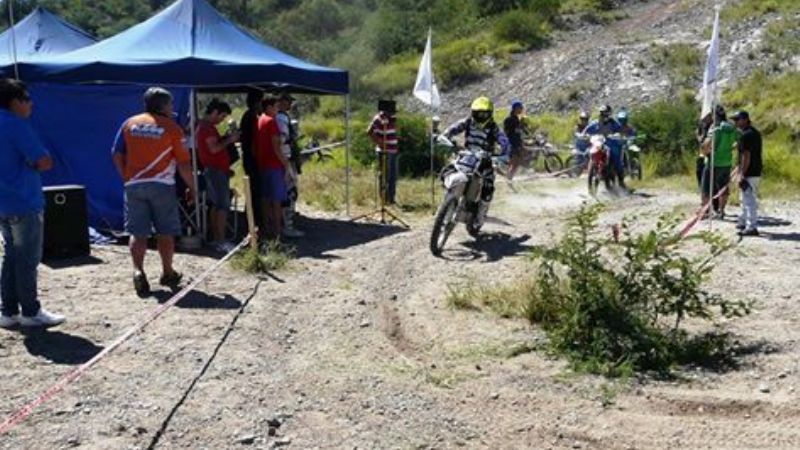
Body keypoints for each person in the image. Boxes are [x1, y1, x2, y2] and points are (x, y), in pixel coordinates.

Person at [112, 87, 196, 297]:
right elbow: (184, 164)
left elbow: (116, 153)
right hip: (162, 185)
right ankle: (167, 272)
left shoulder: (129, 124)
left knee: (137, 232)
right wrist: (193, 188)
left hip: (134, 185)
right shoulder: (172, 128)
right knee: (165, 231)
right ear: (163, 106)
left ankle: (138, 270)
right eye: (170, 104)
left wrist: (126, 177)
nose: (172, 107)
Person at [0, 79, 65, 328]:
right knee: (27, 258)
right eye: (27, 99)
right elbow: (44, 161)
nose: (31, 104)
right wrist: (31, 163)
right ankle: (30, 311)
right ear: (15, 102)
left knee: (11, 256)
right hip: (23, 201)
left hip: (3, 203)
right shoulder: (17, 125)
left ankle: (8, 311)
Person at [442, 96, 509, 229]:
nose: (481, 116)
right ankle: (448, 201)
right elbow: (453, 129)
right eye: (478, 112)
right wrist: (445, 137)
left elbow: (504, 141)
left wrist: (502, 154)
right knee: (448, 170)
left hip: (486, 159)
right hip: (467, 156)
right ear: (473, 112)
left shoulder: (494, 128)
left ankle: (480, 215)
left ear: (489, 114)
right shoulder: (467, 122)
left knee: (488, 186)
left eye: (484, 113)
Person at [197, 99, 240, 252]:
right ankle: (220, 240)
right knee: (222, 206)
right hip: (215, 171)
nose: (221, 120)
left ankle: (217, 239)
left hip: (217, 170)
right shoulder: (207, 128)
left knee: (216, 205)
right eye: (221, 116)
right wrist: (230, 139)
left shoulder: (206, 127)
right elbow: (213, 149)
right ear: (215, 112)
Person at [255, 96, 292, 240]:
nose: (278, 109)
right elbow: (276, 147)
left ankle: (267, 227)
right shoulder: (271, 122)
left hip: (263, 164)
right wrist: (286, 164)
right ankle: (277, 231)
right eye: (276, 106)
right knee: (276, 200)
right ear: (269, 107)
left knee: (265, 198)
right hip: (274, 165)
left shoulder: (260, 120)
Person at [276, 92, 304, 238]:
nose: (290, 104)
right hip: (285, 159)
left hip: (285, 158)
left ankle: (286, 223)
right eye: (287, 101)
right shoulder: (280, 117)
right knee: (290, 192)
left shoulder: (281, 116)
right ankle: (287, 225)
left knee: (288, 192)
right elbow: (282, 140)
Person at [701, 105, 736, 219]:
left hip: (713, 162)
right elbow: (738, 141)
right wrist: (729, 149)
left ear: (714, 115)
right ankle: (721, 211)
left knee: (706, 187)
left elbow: (707, 143)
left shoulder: (715, 128)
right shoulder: (731, 127)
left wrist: (706, 152)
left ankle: (705, 211)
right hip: (726, 161)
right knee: (723, 188)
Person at [733, 111, 762, 236]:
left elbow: (746, 156)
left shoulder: (746, 135)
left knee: (749, 199)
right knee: (745, 198)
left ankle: (752, 227)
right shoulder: (755, 133)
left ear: (745, 119)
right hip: (755, 170)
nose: (736, 122)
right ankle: (743, 221)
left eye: (737, 119)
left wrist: (742, 174)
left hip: (749, 172)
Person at [240, 90, 264, 232]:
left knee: (253, 190)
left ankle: (250, 219)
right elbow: (254, 141)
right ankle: (253, 221)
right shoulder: (252, 117)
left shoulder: (248, 115)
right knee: (254, 190)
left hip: (248, 157)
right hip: (252, 158)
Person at [585, 104, 625, 188]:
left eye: (605, 113)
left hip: (610, 143)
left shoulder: (613, 123)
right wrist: (584, 135)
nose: (602, 115)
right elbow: (587, 129)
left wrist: (618, 134)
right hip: (598, 143)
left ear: (609, 114)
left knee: (617, 159)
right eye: (601, 113)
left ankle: (621, 182)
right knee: (588, 152)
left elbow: (620, 131)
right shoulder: (596, 122)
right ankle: (592, 169)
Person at [367, 101, 399, 205]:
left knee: (393, 175)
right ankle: (384, 199)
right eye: (391, 112)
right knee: (385, 175)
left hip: (393, 150)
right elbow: (369, 132)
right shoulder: (378, 118)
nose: (393, 114)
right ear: (386, 111)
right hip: (385, 151)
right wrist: (380, 143)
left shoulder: (390, 119)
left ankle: (391, 198)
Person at [503, 100, 526, 180]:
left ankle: (509, 178)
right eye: (520, 108)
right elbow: (507, 132)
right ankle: (508, 179)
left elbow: (519, 132)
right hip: (512, 144)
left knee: (516, 163)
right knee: (514, 163)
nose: (521, 110)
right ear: (515, 108)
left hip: (517, 143)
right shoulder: (509, 119)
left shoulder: (517, 119)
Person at [696, 112, 714, 203]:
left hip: (709, 155)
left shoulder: (713, 126)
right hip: (701, 154)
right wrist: (699, 136)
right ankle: (702, 194)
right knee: (699, 173)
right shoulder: (702, 125)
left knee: (707, 177)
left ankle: (708, 199)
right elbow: (698, 136)